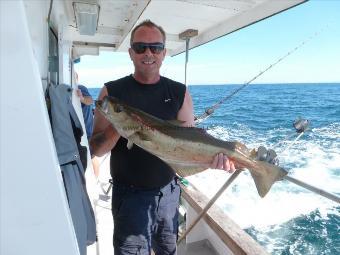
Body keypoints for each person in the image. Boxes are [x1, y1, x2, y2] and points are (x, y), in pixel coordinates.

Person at [90, 20, 235, 255]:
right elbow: (95, 150)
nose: (148, 53)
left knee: (168, 251)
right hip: (129, 197)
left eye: (155, 47)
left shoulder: (179, 92)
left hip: (169, 194)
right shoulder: (112, 93)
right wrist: (121, 124)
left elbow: (188, 144)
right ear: (130, 53)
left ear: (164, 53)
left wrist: (215, 160)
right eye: (140, 47)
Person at [76, 74, 100, 177]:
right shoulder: (71, 91)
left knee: (92, 155)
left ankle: (96, 179)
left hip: (87, 130)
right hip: (80, 132)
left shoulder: (80, 88)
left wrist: (81, 98)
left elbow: (90, 100)